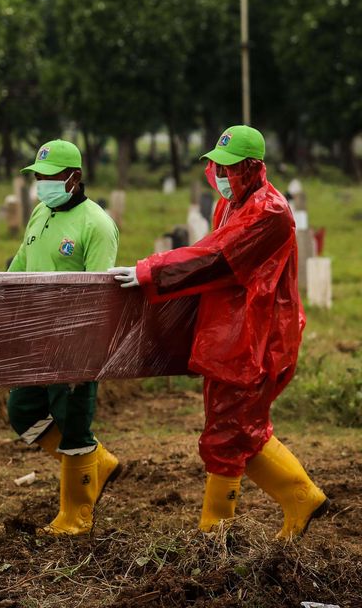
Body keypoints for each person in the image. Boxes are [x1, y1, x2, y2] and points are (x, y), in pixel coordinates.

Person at [112, 125, 328, 539]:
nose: (221, 175)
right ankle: (302, 497)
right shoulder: (229, 206)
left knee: (228, 433)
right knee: (240, 427)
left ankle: (214, 536)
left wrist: (151, 270)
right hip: (230, 334)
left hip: (259, 336)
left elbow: (215, 259)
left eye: (230, 168)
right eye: (218, 166)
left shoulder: (270, 213)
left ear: (252, 168)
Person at [6, 139, 123, 535]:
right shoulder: (40, 212)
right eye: (37, 177)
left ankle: (75, 517)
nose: (41, 184)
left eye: (49, 177)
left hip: (74, 344)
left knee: (74, 426)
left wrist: (82, 350)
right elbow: (19, 265)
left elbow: (97, 295)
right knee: (23, 412)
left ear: (74, 178)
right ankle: (98, 463)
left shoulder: (97, 225)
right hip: (37, 338)